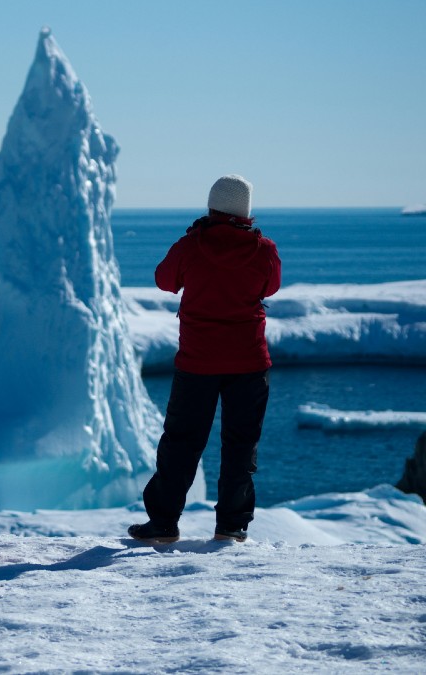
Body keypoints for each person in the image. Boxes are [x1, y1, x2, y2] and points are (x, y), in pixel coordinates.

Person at [129, 174, 281, 544]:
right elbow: (271, 286)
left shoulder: (192, 245)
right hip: (248, 362)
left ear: (212, 206)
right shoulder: (263, 250)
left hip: (198, 361)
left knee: (181, 441)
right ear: (246, 212)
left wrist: (196, 242)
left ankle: (163, 523)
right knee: (241, 443)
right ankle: (232, 524)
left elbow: (164, 280)